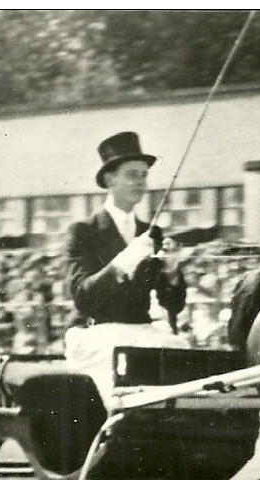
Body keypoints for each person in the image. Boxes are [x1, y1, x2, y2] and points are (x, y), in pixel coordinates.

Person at [62, 132, 188, 401]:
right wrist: (122, 263)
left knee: (182, 355)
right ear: (110, 180)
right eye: (132, 174)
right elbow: (82, 296)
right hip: (96, 332)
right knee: (121, 375)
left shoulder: (150, 233)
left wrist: (172, 272)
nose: (141, 183)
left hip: (141, 331)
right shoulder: (83, 231)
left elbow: (173, 304)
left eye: (144, 175)